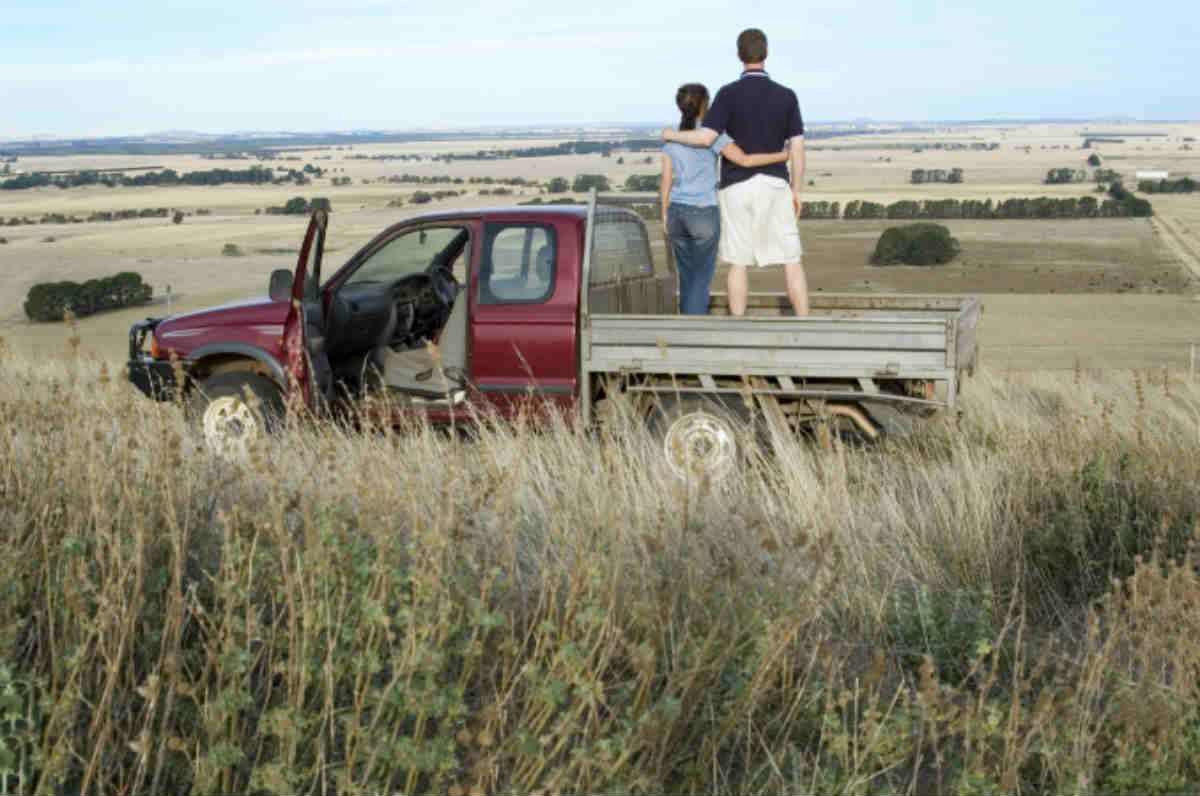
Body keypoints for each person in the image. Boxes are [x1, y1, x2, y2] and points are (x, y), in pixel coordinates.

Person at [663, 28, 807, 316]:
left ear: (739, 56)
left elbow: (706, 138)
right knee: (792, 260)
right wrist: (797, 191)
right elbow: (798, 150)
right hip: (776, 184)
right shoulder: (787, 96)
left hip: (735, 187)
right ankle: (805, 327)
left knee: (738, 263)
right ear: (766, 54)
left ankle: (737, 329)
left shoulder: (727, 94)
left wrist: (671, 135)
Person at [661, 83, 789, 315]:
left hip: (676, 212)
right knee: (700, 280)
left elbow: (666, 181)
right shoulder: (712, 136)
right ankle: (695, 336)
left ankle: (685, 332)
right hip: (703, 211)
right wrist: (782, 155)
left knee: (687, 279)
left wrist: (664, 213)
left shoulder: (672, 139)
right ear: (704, 106)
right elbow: (745, 161)